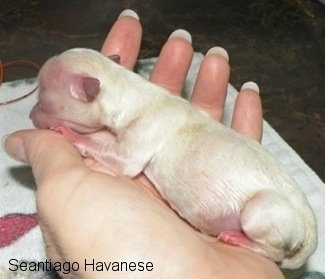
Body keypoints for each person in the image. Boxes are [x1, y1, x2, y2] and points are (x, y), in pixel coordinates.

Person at [4, 9, 284, 279]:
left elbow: (124, 163)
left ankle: (268, 245)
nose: (35, 114)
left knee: (263, 215)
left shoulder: (148, 119)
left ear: (86, 91)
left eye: (46, 103)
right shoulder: (151, 110)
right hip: (234, 219)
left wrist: (77, 139)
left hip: (266, 214)